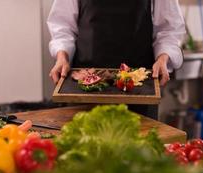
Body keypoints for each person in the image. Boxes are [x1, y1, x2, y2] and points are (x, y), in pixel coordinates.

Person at [47, 0, 185, 119]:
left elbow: (169, 30)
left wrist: (163, 58)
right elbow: (62, 26)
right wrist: (62, 56)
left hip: (139, 88)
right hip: (84, 88)